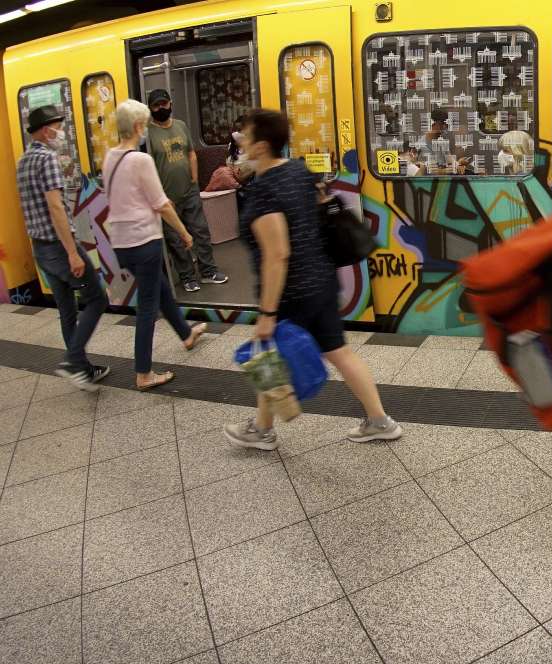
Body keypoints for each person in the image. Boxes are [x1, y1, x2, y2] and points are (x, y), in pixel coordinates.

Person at [223, 108, 403, 450]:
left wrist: (267, 313)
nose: (240, 140)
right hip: (322, 281)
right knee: (339, 352)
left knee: (269, 355)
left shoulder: (263, 192)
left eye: (244, 135)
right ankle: (380, 420)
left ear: (261, 145)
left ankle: (261, 430)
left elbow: (278, 254)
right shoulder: (299, 171)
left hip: (291, 293)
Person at [103, 100, 209, 390]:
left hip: (123, 244)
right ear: (138, 127)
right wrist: (184, 231)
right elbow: (161, 203)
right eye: (145, 124)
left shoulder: (110, 156)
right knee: (148, 307)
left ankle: (186, 335)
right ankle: (144, 374)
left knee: (161, 288)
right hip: (143, 240)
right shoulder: (141, 160)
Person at [17, 105, 110, 391]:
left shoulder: (23, 161)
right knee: (97, 298)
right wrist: (72, 252)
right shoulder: (47, 159)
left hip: (41, 248)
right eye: (58, 126)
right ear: (46, 130)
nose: (61, 132)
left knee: (67, 309)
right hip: (59, 247)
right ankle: (72, 361)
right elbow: (56, 207)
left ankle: (82, 371)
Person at [145, 88, 228, 293]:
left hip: (189, 190)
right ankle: (188, 277)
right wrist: (160, 196)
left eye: (164, 104)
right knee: (176, 239)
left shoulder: (181, 126)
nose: (161, 108)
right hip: (166, 197)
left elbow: (191, 153)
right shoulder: (147, 134)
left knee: (201, 231)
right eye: (156, 106)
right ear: (150, 109)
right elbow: (148, 167)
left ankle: (208, 271)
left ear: (170, 103)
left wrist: (194, 180)